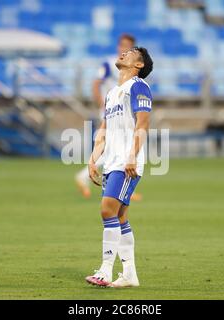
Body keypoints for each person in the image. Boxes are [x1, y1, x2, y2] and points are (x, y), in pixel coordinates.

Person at [85, 47, 153, 288]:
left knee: (107, 210)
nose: (124, 53)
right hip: (112, 163)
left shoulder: (138, 86)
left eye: (132, 52)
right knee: (121, 216)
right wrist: (94, 158)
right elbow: (103, 128)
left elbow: (143, 123)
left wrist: (132, 156)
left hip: (126, 163)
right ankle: (129, 274)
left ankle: (104, 270)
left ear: (139, 65)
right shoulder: (112, 93)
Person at [75, 34, 142, 201]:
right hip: (112, 111)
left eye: (128, 46)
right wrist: (101, 104)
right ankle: (118, 184)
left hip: (123, 111)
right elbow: (96, 83)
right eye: (122, 45)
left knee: (116, 146)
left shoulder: (131, 67)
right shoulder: (110, 63)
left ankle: (117, 184)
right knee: (117, 145)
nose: (123, 48)